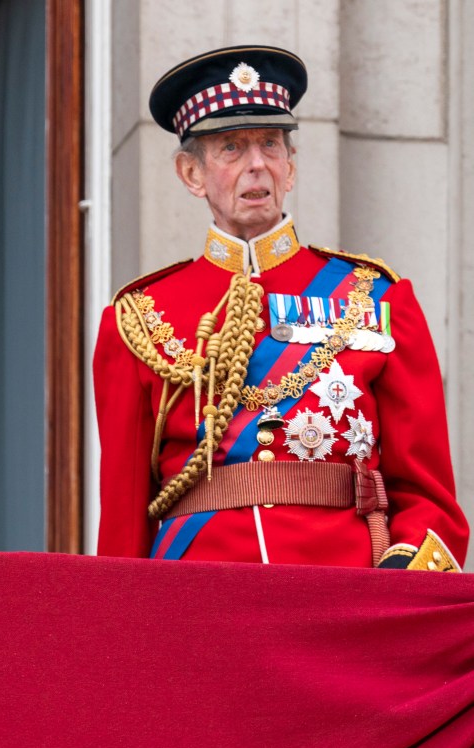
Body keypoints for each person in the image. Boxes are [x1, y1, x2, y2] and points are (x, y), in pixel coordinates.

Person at [93, 45, 469, 570]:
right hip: (199, 607)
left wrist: (399, 578)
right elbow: (123, 523)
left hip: (344, 599)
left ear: (290, 168)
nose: (256, 165)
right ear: (191, 173)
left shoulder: (379, 297)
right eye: (230, 147)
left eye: (270, 144)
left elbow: (431, 500)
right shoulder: (136, 318)